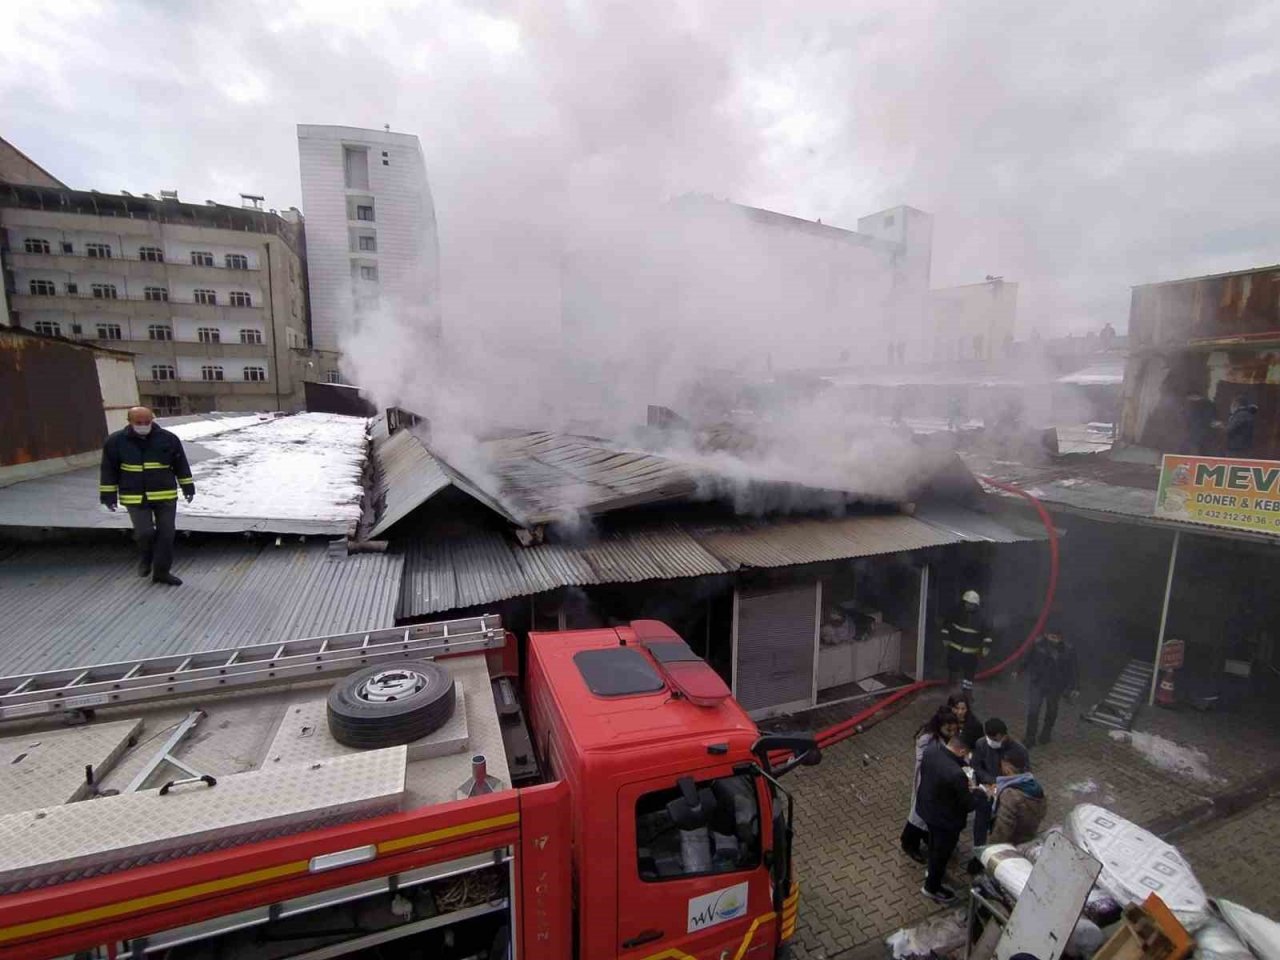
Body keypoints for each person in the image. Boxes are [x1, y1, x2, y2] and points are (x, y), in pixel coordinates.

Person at [99, 406, 195, 586]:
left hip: (164, 495)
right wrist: (108, 495)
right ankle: (146, 557)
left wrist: (188, 486)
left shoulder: (168, 439)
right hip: (134, 496)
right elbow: (108, 470)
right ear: (129, 422)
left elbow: (180, 463)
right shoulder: (115, 442)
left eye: (147, 422)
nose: (143, 425)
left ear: (153, 420)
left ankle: (162, 572)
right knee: (145, 533)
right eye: (139, 423)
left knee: (167, 534)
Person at [918, 734, 975, 905]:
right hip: (946, 820)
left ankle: (931, 871)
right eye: (966, 754)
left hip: (928, 809)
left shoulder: (931, 750)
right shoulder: (957, 775)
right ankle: (932, 887)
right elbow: (968, 804)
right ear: (962, 750)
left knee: (934, 844)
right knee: (941, 853)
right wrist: (980, 793)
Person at [900, 707, 960, 864]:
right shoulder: (926, 739)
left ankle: (926, 837)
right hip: (926, 781)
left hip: (939, 784)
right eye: (949, 730)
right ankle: (909, 843)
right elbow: (925, 759)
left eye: (954, 729)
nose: (952, 733)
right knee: (918, 815)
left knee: (929, 815)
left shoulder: (948, 737)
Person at [1023, 630, 1079, 746]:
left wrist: (1074, 687)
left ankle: (1046, 734)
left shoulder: (1068, 649)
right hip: (1038, 682)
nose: (1053, 639)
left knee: (1051, 711)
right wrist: (1018, 670)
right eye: (1051, 636)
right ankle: (1030, 737)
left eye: (1056, 637)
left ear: (1061, 637)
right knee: (1033, 710)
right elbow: (1027, 658)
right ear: (1046, 635)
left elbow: (1073, 669)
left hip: (1055, 685)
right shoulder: (1038, 644)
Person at [987, 743, 1046, 845]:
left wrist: (990, 849)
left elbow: (1002, 830)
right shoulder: (1036, 786)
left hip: (1010, 844)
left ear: (1007, 766)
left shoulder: (1010, 795)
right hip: (1027, 838)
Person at [970, 717, 1012, 848]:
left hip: (1005, 793)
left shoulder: (1014, 748)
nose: (996, 742)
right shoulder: (981, 744)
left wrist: (1002, 783)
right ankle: (979, 853)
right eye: (993, 739)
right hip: (986, 792)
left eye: (998, 739)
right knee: (980, 825)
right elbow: (976, 766)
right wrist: (991, 782)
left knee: (1000, 825)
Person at [942, 590, 993, 694]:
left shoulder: (981, 618)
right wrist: (945, 638)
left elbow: (987, 634)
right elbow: (946, 625)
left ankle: (967, 692)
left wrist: (986, 647)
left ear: (976, 605)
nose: (969, 606)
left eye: (972, 604)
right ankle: (951, 688)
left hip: (971, 653)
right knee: (952, 669)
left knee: (969, 674)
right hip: (955, 649)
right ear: (963, 602)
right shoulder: (955, 613)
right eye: (967, 603)